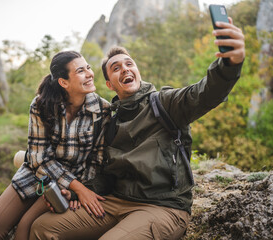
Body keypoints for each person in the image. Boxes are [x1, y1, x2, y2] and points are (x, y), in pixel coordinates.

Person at [30, 18, 245, 240]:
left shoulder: (166, 104)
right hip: (115, 203)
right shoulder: (110, 121)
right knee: (43, 227)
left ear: (137, 71)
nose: (124, 68)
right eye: (116, 68)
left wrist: (229, 65)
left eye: (129, 64)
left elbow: (206, 92)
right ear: (110, 85)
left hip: (162, 207)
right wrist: (79, 190)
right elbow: (108, 174)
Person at [0, 51, 110, 240]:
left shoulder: (102, 110)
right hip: (36, 175)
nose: (90, 74)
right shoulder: (41, 105)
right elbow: (37, 158)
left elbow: (96, 160)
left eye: (88, 67)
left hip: (72, 182)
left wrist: (78, 190)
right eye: (81, 71)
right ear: (63, 82)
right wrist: (79, 189)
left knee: (24, 229)